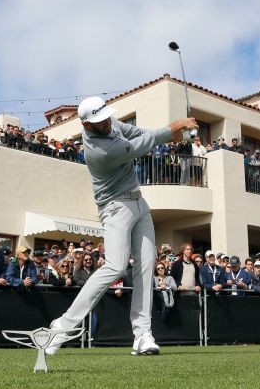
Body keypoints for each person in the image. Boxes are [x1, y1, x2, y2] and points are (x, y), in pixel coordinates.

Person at [45, 96, 198, 357]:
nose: (105, 123)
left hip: (139, 204)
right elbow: (141, 144)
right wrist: (175, 127)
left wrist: (171, 135)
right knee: (115, 265)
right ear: (85, 124)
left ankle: (142, 335)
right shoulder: (99, 151)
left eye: (105, 117)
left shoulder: (109, 122)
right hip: (115, 209)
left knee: (146, 268)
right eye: (98, 121)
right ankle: (62, 326)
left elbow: (139, 132)